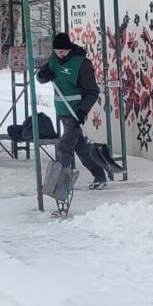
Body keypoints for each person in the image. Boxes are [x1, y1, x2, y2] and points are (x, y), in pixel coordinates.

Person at [35, 32, 108, 190]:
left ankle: (59, 183)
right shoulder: (54, 60)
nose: (59, 55)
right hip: (62, 110)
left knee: (65, 146)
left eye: (63, 52)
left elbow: (92, 92)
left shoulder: (81, 64)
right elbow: (40, 77)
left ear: (69, 49)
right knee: (81, 148)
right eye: (57, 52)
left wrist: (82, 111)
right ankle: (99, 174)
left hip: (75, 112)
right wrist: (42, 75)